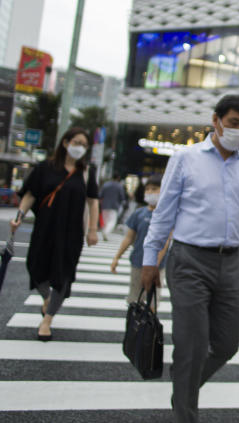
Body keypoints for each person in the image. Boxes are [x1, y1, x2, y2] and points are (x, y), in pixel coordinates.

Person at [141, 94, 239, 423]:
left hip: (231, 262)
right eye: (235, 122)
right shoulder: (186, 158)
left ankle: (182, 390)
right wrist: (149, 260)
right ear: (216, 121)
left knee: (227, 344)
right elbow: (164, 211)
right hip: (189, 260)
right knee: (189, 347)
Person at [10, 127, 99, 341]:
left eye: (84, 145)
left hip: (71, 233)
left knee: (63, 275)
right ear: (65, 143)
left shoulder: (87, 172)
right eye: (77, 142)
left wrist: (93, 230)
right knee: (36, 268)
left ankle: (47, 320)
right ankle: (47, 299)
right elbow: (31, 194)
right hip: (45, 228)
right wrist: (19, 215)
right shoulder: (45, 168)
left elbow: (93, 201)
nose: (81, 148)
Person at [110, 175, 168, 311]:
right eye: (147, 189)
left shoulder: (166, 214)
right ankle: (134, 330)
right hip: (137, 262)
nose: (149, 192)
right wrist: (117, 257)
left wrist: (155, 265)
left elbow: (165, 243)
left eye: (154, 189)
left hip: (158, 267)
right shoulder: (139, 214)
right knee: (135, 300)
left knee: (153, 302)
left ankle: (149, 330)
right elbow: (129, 238)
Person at [98, 174, 127, 241]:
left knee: (105, 220)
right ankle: (106, 232)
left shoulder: (105, 185)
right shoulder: (119, 186)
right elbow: (122, 197)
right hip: (114, 205)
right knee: (112, 221)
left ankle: (105, 231)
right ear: (118, 178)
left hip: (104, 205)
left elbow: (100, 195)